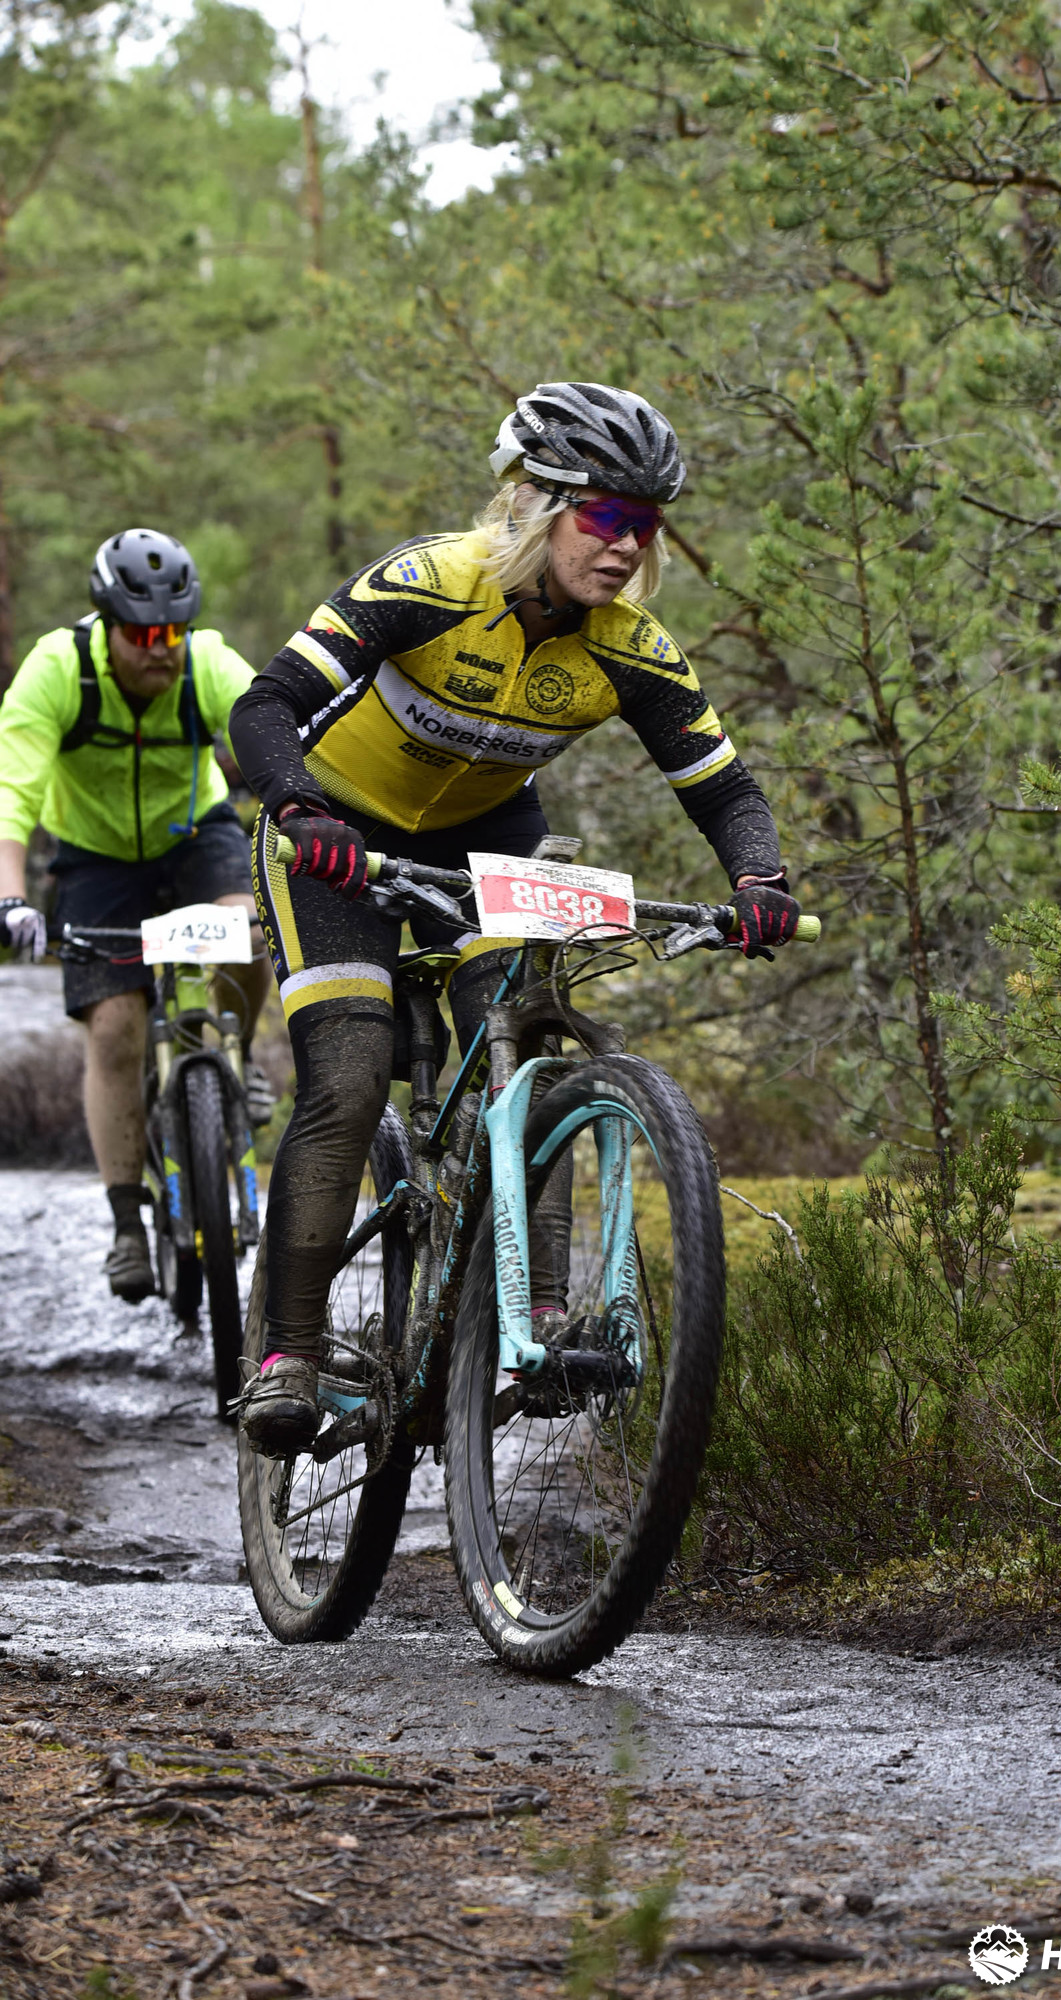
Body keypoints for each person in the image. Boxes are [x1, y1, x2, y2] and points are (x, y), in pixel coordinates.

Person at [229, 380, 801, 1454]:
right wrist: (300, 807)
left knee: (529, 1046)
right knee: (348, 1074)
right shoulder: (429, 583)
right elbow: (264, 706)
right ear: (536, 503)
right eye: (606, 515)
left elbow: (723, 788)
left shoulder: (629, 645)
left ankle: (535, 1318)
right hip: (332, 834)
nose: (627, 545)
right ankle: (286, 1352)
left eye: (647, 524)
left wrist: (759, 880)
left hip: (487, 839)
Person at [0, 527, 273, 1301]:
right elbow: (12, 793)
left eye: (175, 633)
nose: (164, 649)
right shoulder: (58, 670)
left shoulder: (206, 661)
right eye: (145, 635)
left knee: (250, 931)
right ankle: (127, 1222)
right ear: (108, 624)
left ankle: (238, 1053)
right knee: (115, 1027)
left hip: (195, 836)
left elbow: (268, 730)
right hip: (95, 857)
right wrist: (10, 895)